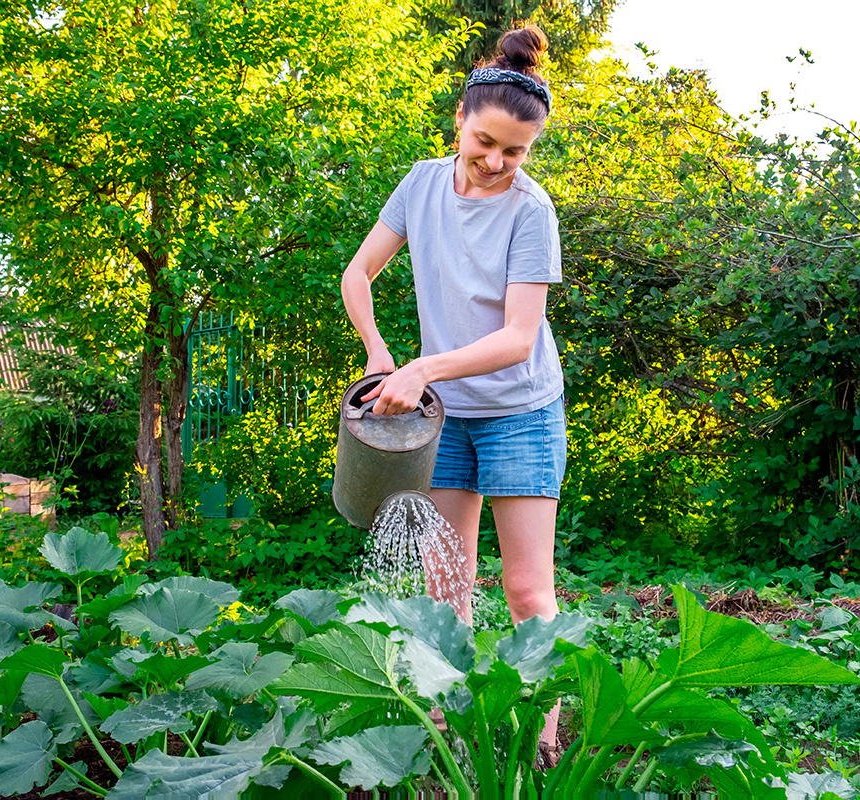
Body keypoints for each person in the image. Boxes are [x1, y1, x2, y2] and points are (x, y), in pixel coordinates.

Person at [340, 24, 565, 763]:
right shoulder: (421, 182)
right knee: (448, 585)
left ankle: (544, 741)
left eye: (516, 152)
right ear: (460, 121)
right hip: (447, 420)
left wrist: (424, 370)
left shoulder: (531, 212)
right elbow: (358, 274)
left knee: (530, 594)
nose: (498, 162)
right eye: (487, 144)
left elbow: (517, 339)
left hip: (520, 414)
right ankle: (448, 728)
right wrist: (380, 352)